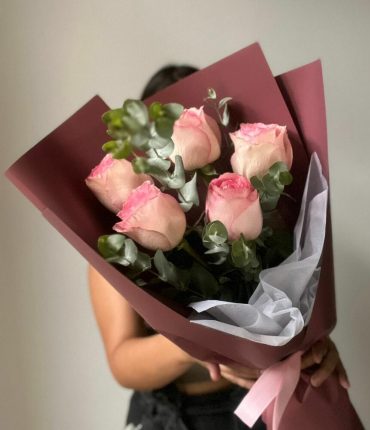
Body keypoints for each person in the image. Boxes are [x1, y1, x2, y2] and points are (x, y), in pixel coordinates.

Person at [88, 65, 350, 430]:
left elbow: (289, 310)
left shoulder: (252, 212)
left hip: (261, 404)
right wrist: (197, 343)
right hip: (174, 417)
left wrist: (308, 348)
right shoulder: (124, 238)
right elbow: (122, 362)